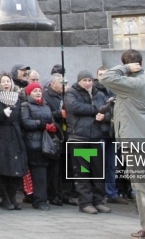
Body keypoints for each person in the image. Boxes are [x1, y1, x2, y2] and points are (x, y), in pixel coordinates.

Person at [99, 50, 145, 239]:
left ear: (127, 65)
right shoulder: (142, 80)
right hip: (139, 138)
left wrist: (125, 68)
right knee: (139, 186)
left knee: (144, 186)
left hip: (136, 140)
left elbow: (106, 78)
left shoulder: (134, 82)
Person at [64, 70, 112, 215]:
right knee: (83, 171)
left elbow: (110, 111)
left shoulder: (99, 94)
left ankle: (98, 200)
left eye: (89, 80)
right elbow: (75, 107)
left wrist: (103, 117)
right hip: (80, 137)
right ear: (79, 81)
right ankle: (85, 202)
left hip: (96, 137)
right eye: (84, 80)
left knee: (97, 171)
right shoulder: (72, 93)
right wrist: (97, 110)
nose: (87, 83)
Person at [0, 74, 27, 210]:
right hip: (0, 136)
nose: (6, 84)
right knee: (2, 167)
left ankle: (13, 197)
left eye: (8, 81)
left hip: (15, 136)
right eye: (3, 81)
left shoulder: (18, 99)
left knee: (15, 168)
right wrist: (2, 114)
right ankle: (5, 198)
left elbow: (21, 118)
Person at [20, 82, 57, 211]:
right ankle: (39, 201)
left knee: (45, 174)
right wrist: (41, 124)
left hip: (46, 143)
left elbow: (51, 119)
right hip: (33, 144)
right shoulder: (26, 105)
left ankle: (40, 197)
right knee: (38, 174)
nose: (38, 93)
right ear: (29, 93)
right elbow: (25, 122)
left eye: (39, 90)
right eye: (34, 90)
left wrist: (53, 126)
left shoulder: (46, 106)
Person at [43, 73, 65, 206]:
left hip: (64, 135)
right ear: (53, 83)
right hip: (53, 136)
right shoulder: (47, 97)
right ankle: (53, 194)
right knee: (53, 169)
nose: (63, 85)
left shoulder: (64, 96)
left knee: (63, 168)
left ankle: (62, 193)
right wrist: (58, 114)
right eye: (60, 82)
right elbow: (46, 114)